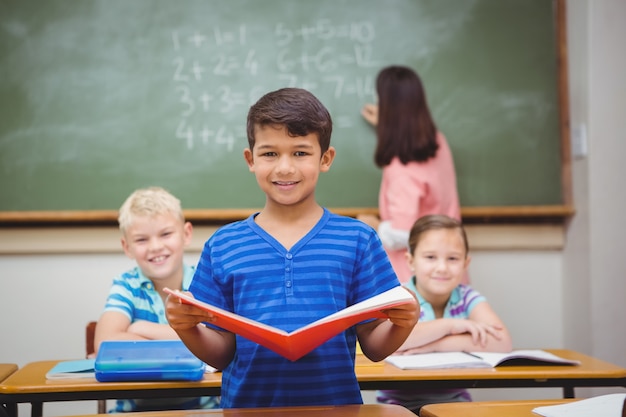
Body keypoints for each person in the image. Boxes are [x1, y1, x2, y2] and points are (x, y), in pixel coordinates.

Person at [165, 87, 419, 408]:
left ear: (325, 159)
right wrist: (185, 328)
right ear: (251, 159)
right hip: (248, 412)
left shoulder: (358, 240)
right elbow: (221, 355)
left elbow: (374, 347)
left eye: (300, 153)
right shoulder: (223, 245)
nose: (285, 168)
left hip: (337, 411)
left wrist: (405, 322)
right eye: (270, 153)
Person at [94, 186, 219, 412]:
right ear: (127, 247)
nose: (155, 247)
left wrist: (141, 328)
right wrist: (189, 341)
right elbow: (105, 342)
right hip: (134, 412)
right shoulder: (127, 285)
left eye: (165, 234)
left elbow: (217, 344)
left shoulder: (203, 283)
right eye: (141, 239)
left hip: (203, 410)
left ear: (186, 234)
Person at [377, 214, 512, 415]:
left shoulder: (467, 297)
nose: (442, 268)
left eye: (453, 258)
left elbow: (502, 343)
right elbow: (392, 343)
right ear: (411, 261)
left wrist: (434, 345)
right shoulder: (399, 297)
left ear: (466, 264)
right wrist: (449, 326)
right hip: (396, 405)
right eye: (430, 257)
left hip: (455, 404)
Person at [358, 65, 461, 284]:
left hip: (415, 281)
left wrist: (376, 226)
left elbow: (404, 234)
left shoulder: (401, 169)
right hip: (447, 271)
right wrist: (386, 124)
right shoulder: (438, 141)